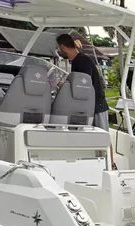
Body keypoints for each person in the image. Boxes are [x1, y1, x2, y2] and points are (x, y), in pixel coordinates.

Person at [55, 33, 116, 167]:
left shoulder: (82, 61)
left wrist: (63, 86)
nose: (59, 51)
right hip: (86, 105)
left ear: (63, 47)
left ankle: (111, 165)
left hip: (96, 104)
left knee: (103, 135)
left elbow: (82, 84)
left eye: (59, 48)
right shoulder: (78, 60)